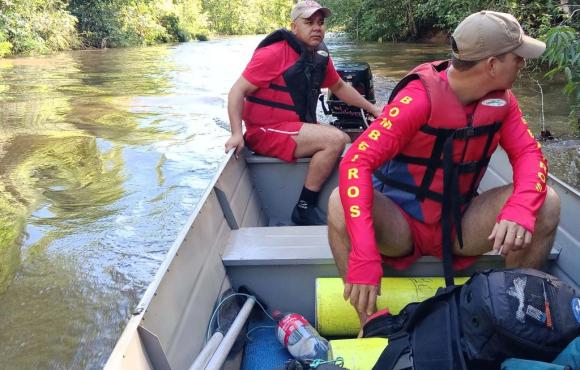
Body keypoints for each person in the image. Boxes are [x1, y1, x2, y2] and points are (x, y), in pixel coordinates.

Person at [327, 10, 561, 329]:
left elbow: (529, 156)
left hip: (460, 224)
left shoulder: (504, 103)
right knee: (339, 202)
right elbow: (356, 161)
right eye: (516, 57)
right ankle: (370, 322)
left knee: (546, 202)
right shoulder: (417, 100)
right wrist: (364, 255)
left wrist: (520, 207)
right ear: (492, 65)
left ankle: (513, 316)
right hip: (402, 225)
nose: (522, 63)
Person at [224, 0, 382, 226]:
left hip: (292, 129)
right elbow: (236, 92)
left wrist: (373, 109)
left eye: (321, 22)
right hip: (264, 132)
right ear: (294, 26)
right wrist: (236, 133)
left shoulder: (319, 56)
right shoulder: (273, 54)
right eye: (309, 22)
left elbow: (339, 87)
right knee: (336, 139)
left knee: (342, 137)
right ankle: (304, 206)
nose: (317, 27)